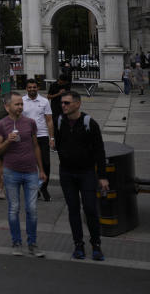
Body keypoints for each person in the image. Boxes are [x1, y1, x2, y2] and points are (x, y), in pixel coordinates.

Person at [54, 90, 109, 261]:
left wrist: (102, 176)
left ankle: (96, 244)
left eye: (67, 103)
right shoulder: (60, 121)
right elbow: (58, 143)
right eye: (62, 103)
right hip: (67, 173)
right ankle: (78, 244)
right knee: (73, 210)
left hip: (86, 173)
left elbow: (100, 151)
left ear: (77, 104)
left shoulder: (89, 123)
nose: (63, 105)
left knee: (91, 209)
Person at [0, 92, 47, 257]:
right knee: (14, 208)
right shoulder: (1, 125)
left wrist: (42, 170)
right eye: (17, 104)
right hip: (11, 173)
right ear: (7, 106)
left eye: (21, 104)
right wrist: (8, 140)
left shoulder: (30, 123)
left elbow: (36, 146)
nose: (20, 107)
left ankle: (32, 243)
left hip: (30, 171)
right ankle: (16, 242)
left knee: (32, 209)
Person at [21, 80, 54, 201]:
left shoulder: (44, 101)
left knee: (46, 164)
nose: (32, 89)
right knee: (30, 165)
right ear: (26, 88)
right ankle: (34, 188)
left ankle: (44, 187)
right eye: (29, 87)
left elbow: (49, 120)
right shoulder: (22, 101)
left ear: (38, 88)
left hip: (42, 136)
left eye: (34, 87)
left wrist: (52, 138)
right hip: (26, 137)